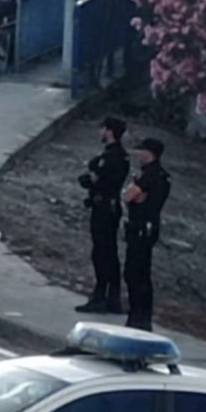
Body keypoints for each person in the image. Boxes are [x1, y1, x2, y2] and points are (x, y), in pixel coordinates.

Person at [76, 117, 130, 314]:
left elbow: (93, 179)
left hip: (104, 207)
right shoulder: (123, 156)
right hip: (112, 207)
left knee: (101, 253)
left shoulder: (110, 156)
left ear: (109, 131)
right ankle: (112, 298)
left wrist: (87, 177)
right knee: (110, 252)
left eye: (102, 129)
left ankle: (100, 297)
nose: (100, 133)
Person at [122, 137, 171, 331]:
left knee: (135, 273)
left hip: (141, 227)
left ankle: (138, 317)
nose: (139, 155)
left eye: (141, 151)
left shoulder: (149, 175)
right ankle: (141, 317)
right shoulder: (160, 175)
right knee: (141, 273)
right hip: (147, 227)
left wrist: (135, 194)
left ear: (149, 153)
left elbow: (128, 195)